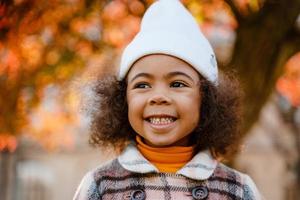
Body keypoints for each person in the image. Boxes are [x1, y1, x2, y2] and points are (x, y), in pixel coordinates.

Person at [73, 0, 262, 199]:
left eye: (177, 84)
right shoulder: (100, 186)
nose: (158, 97)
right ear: (123, 100)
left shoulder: (238, 189)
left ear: (206, 99)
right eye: (142, 85)